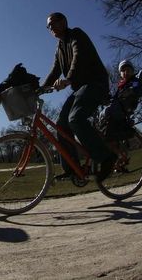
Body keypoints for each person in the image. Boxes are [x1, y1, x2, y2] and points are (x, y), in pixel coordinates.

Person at [42, 12, 117, 181]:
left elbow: (78, 57)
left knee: (75, 118)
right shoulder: (59, 49)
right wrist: (40, 89)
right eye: (48, 26)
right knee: (61, 125)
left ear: (64, 22)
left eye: (53, 23)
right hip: (79, 89)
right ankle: (72, 168)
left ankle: (106, 158)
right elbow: (54, 71)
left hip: (95, 83)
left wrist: (68, 79)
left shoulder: (76, 34)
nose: (51, 28)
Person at [104, 60, 142, 139]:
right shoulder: (121, 85)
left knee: (108, 111)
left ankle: (111, 133)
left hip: (126, 105)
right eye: (123, 71)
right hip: (120, 105)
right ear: (120, 74)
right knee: (105, 112)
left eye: (128, 70)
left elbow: (136, 88)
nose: (126, 72)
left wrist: (130, 90)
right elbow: (115, 97)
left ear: (132, 71)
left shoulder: (134, 81)